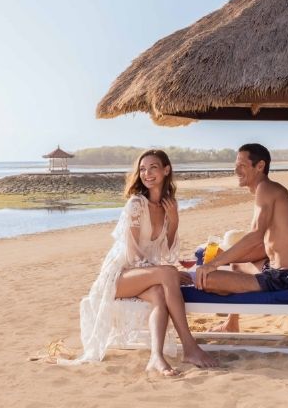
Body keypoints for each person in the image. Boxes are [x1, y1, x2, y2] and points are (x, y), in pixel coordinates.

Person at [62, 149, 218, 375]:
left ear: (166, 170)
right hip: (119, 276)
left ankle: (156, 357)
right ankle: (189, 346)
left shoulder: (168, 205)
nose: (147, 173)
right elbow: (133, 253)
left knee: (159, 293)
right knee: (167, 275)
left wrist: (173, 221)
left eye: (153, 167)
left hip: (144, 275)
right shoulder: (136, 204)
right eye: (142, 169)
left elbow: (167, 254)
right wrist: (164, 273)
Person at [195, 143, 288, 332]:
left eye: (242, 165)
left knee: (206, 280)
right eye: (236, 164)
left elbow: (256, 236)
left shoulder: (265, 189)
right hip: (283, 271)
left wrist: (212, 265)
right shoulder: (269, 190)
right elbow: (264, 247)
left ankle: (229, 305)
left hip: (285, 278)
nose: (236, 170)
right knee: (236, 266)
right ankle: (231, 324)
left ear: (260, 166)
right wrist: (223, 257)